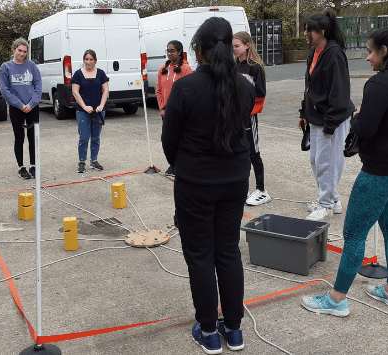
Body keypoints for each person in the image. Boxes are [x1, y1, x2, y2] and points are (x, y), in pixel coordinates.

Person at [301, 25, 388, 317]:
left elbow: (365, 129)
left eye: (371, 51)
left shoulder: (380, 84)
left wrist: (357, 117)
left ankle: (336, 299)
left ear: (385, 52)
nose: (368, 57)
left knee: (354, 233)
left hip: (380, 172)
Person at [162, 17, 254, 354]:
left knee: (201, 256)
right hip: (233, 180)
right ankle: (233, 329)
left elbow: (169, 141)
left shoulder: (185, 87)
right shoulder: (245, 85)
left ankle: (208, 331)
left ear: (198, 50)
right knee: (228, 252)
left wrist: (185, 165)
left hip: (196, 183)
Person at [297, 11, 355, 221]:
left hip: (332, 119)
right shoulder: (315, 51)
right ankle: (333, 199)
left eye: (308, 30)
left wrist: (330, 123)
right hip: (317, 118)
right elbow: (310, 87)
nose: (304, 33)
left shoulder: (334, 54)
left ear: (321, 32)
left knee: (327, 162)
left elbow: (340, 92)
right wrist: (304, 112)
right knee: (317, 161)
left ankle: (326, 204)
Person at [233, 31, 270, 206]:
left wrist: (249, 111)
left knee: (253, 152)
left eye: (236, 46)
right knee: (239, 152)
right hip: (236, 117)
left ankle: (262, 190)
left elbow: (261, 94)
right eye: (232, 46)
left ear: (247, 45)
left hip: (249, 117)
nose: (234, 49)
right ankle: (243, 188)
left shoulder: (255, 67)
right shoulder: (234, 66)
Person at [0, 38, 42, 180]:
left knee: (33, 137)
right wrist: (20, 105)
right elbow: (5, 90)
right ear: (14, 50)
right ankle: (21, 168)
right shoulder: (6, 67)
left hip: (32, 107)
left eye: (25, 51)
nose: (22, 54)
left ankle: (33, 165)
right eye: (20, 51)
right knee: (19, 137)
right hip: (17, 108)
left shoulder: (31, 66)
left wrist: (31, 103)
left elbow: (38, 86)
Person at [156, 40, 192, 177]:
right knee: (168, 139)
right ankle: (173, 164)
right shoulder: (162, 69)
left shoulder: (186, 69)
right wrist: (162, 108)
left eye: (172, 51)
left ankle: (180, 165)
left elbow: (189, 91)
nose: (169, 54)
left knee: (181, 139)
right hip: (166, 112)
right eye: (168, 51)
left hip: (180, 112)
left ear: (179, 52)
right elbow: (158, 90)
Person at [71, 49, 109, 173]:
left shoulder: (101, 73)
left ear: (95, 60)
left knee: (96, 137)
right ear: (84, 60)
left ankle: (94, 160)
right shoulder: (78, 74)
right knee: (84, 137)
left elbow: (106, 91)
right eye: (86, 59)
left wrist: (101, 106)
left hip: (98, 111)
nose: (89, 62)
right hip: (83, 112)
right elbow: (75, 92)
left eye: (91, 59)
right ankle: (82, 161)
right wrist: (84, 107)